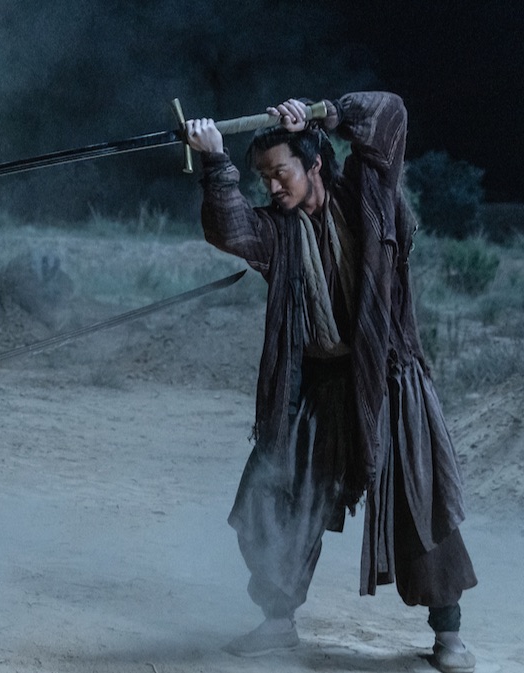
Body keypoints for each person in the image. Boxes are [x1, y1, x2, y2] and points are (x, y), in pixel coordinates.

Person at [183, 92, 477, 673]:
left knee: (421, 505)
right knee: (273, 498)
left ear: (314, 163)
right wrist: (214, 160)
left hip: (390, 382)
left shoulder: (368, 196)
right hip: (319, 385)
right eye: (263, 177)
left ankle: (448, 632)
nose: (272, 186)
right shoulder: (277, 231)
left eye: (281, 172)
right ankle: (277, 621)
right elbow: (229, 229)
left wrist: (327, 113)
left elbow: (391, 113)